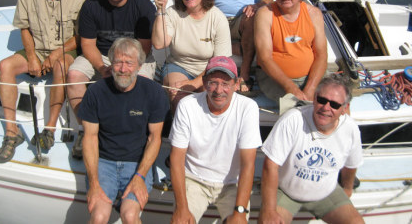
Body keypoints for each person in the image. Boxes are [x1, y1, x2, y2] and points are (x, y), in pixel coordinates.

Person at [0, 0, 90, 163]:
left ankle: (49, 130)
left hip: (66, 48)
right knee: (4, 66)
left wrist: (56, 53)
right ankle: (12, 133)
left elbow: (81, 36)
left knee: (62, 67)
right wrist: (32, 57)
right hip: (36, 48)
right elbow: (24, 28)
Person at [66, 0, 157, 159]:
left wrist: (122, 66)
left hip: (134, 55)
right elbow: (88, 44)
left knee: (141, 84)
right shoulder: (91, 5)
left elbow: (144, 47)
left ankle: (138, 134)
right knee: (73, 75)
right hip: (101, 55)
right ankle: (85, 128)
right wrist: (102, 66)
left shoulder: (142, 6)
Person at [80, 37, 169, 224]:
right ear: (111, 64)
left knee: (129, 215)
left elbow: (155, 139)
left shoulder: (154, 93)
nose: (123, 69)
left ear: (139, 66)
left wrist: (140, 176)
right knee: (98, 216)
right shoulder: (95, 92)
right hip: (104, 162)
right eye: (118, 62)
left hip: (136, 163)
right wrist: (94, 183)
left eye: (129, 63)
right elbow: (89, 137)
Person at [258, 74, 364, 224]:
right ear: (314, 98)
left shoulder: (350, 128)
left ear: (344, 108)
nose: (326, 108)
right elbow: (270, 165)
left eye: (334, 104)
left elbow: (351, 165)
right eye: (322, 100)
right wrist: (269, 210)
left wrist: (347, 189)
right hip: (286, 191)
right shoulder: (293, 119)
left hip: (327, 192)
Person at [169, 56, 262, 223]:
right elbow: (177, 159)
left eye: (226, 83)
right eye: (213, 82)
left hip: (232, 184)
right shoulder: (187, 105)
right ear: (204, 83)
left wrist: (240, 212)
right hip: (193, 180)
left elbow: (248, 164)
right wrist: (182, 208)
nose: (219, 90)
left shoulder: (248, 108)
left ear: (236, 84)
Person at [153, 0, 231, 110]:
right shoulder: (172, 13)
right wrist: (160, 10)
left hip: (209, 70)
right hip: (178, 66)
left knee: (209, 99)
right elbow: (159, 44)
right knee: (178, 97)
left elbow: (220, 63)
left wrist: (194, 83)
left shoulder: (218, 18)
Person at [254, 0, 327, 106]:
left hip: (310, 78)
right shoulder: (265, 14)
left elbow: (321, 55)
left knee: (339, 97)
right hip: (274, 80)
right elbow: (264, 59)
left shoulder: (314, 14)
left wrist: (310, 89)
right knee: (297, 108)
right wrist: (291, 89)